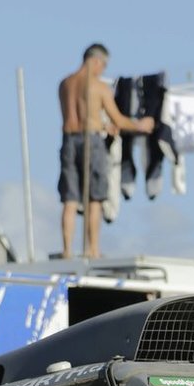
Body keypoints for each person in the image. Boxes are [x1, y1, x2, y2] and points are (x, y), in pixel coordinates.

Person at [58, 45, 154, 259]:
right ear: (95, 61)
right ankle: (92, 250)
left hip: (68, 139)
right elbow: (117, 119)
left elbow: (78, 118)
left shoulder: (65, 84)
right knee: (95, 197)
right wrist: (140, 125)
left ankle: (67, 250)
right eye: (104, 65)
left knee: (70, 199)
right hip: (91, 142)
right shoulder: (98, 87)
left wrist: (101, 126)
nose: (103, 70)